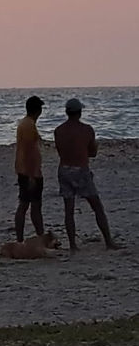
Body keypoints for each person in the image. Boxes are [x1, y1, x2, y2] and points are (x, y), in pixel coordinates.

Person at [53, 97, 120, 251]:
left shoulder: (58, 131)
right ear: (80, 112)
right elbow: (92, 152)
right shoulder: (87, 130)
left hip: (64, 169)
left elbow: (60, 151)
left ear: (66, 112)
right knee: (97, 206)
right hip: (81, 170)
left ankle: (73, 245)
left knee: (68, 210)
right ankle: (108, 241)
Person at [13, 95, 45, 242]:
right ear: (37, 110)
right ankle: (37, 237)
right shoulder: (28, 126)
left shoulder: (26, 123)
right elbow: (29, 151)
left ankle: (30, 237)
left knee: (28, 204)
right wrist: (32, 174)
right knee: (31, 205)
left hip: (25, 169)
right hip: (29, 171)